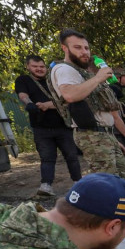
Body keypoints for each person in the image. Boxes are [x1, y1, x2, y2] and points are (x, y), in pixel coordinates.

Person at [47, 29, 125, 179]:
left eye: (86, 48)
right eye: (77, 48)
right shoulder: (64, 69)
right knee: (109, 186)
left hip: (102, 135)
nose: (84, 52)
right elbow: (70, 95)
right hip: (92, 134)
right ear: (65, 48)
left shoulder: (81, 72)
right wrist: (98, 77)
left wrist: (109, 138)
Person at [15, 55, 81, 197]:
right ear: (28, 67)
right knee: (47, 158)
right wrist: (30, 104)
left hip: (63, 126)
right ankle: (46, 186)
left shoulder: (54, 79)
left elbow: (66, 100)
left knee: (71, 155)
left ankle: (78, 183)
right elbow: (22, 95)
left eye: (41, 66)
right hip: (41, 128)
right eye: (35, 66)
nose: (39, 69)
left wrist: (46, 105)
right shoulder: (23, 80)